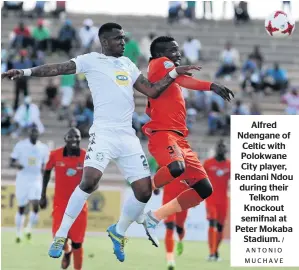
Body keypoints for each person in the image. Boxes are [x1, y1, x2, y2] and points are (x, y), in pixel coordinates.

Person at [2, 22, 201, 262]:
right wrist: (25, 72)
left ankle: (118, 232)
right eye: (118, 38)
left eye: (123, 38)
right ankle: (61, 234)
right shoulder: (91, 60)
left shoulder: (127, 64)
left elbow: (152, 91)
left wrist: (173, 74)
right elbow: (58, 68)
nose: (123, 42)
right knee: (89, 181)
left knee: (144, 191)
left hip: (127, 136)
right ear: (105, 41)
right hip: (104, 133)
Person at [138, 36, 234, 247]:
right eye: (173, 50)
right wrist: (212, 86)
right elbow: (183, 80)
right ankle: (146, 187)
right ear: (160, 54)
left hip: (180, 139)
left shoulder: (166, 74)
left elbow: (176, 84)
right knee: (176, 167)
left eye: (178, 50)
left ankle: (154, 217)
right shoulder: (161, 63)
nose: (178, 54)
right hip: (165, 133)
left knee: (204, 189)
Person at [40, 128, 86, 270]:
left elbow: (94, 177)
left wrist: (91, 187)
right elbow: (47, 172)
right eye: (71, 137)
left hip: (79, 205)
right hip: (61, 203)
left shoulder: (86, 156)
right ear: (65, 139)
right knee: (59, 238)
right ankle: (67, 251)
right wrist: (42, 195)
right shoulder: (55, 155)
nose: (74, 140)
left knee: (78, 243)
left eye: (77, 137)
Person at [10, 126, 49, 243]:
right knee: (21, 207)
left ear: (38, 134)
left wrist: (44, 179)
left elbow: (45, 166)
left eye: (36, 132)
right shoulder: (20, 145)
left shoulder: (43, 148)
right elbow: (11, 161)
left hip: (36, 179)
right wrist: (17, 165)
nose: (34, 134)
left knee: (36, 204)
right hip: (22, 179)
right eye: (32, 132)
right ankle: (18, 233)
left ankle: (29, 228)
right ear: (29, 133)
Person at [203, 140, 230, 261]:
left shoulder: (229, 165)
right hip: (211, 199)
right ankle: (211, 253)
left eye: (223, 149)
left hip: (223, 201)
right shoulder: (208, 163)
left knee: (220, 227)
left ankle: (215, 250)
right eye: (219, 149)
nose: (221, 152)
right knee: (212, 223)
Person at [159, 180, 189, 270]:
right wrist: (156, 186)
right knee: (170, 226)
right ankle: (170, 259)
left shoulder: (191, 167)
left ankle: (180, 240)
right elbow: (158, 176)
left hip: (183, 201)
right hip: (168, 200)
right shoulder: (165, 165)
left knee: (179, 227)